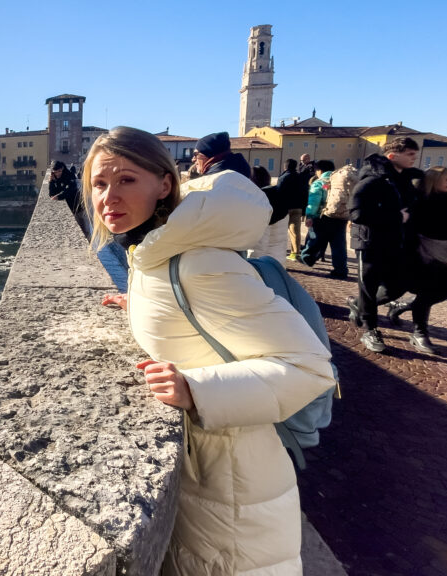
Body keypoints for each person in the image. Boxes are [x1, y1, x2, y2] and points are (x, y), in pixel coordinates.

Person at [84, 127, 334, 575]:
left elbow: (310, 367)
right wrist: (140, 304)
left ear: (164, 184)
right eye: (100, 184)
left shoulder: (198, 262)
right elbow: (193, 319)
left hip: (238, 491)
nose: (108, 198)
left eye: (126, 180)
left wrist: (195, 389)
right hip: (212, 480)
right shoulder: (154, 248)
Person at [346, 137, 420, 352]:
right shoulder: (372, 178)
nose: (414, 158)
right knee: (368, 287)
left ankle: (358, 306)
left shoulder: (404, 179)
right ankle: (370, 330)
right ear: (392, 156)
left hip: (394, 242)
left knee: (398, 285)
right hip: (369, 241)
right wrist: (396, 217)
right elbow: (356, 212)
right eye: (410, 154)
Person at [388, 166, 447, 354]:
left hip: (446, 258)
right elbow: (409, 229)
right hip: (423, 257)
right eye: (446, 179)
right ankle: (419, 333)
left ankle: (401, 305)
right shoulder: (419, 201)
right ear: (433, 180)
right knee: (426, 292)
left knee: (446, 291)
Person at [299, 160, 349, 278]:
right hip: (341, 217)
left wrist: (310, 216)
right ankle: (340, 270)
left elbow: (314, 201)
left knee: (315, 240)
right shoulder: (340, 182)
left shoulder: (319, 182)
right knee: (339, 245)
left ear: (319, 170)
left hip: (323, 217)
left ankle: (307, 258)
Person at [247, 166, 290, 265]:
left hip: (260, 263)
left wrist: (251, 262)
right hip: (278, 260)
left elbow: (259, 242)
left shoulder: (259, 201)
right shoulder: (280, 198)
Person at [46, 160, 89, 238]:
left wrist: (59, 196)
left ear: (62, 168)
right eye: (55, 172)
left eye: (59, 171)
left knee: (84, 230)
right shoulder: (55, 178)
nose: (58, 173)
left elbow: (70, 189)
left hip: (78, 206)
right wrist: (51, 182)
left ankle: (89, 247)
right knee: (75, 232)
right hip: (70, 207)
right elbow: (52, 194)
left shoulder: (70, 175)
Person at [279, 159, 309, 260]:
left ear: (285, 166)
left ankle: (281, 251)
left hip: (285, 207)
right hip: (298, 207)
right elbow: (305, 193)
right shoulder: (301, 177)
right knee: (295, 231)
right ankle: (295, 253)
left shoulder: (283, 177)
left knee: (282, 231)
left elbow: (279, 191)